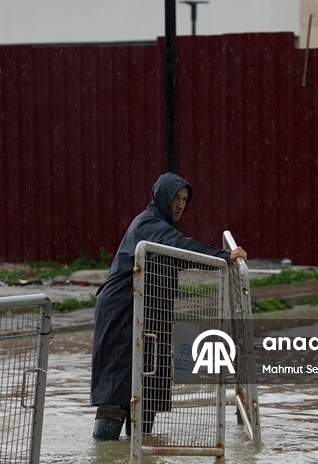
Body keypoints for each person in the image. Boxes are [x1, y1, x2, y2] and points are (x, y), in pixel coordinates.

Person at [90, 172, 247, 440]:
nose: (180, 205)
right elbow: (180, 248)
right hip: (123, 314)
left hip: (148, 315)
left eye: (185, 200)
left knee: (149, 385)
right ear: (162, 197)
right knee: (117, 386)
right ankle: (107, 461)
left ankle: (139, 460)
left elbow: (178, 253)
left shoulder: (160, 227)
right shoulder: (149, 225)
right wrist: (224, 257)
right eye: (176, 198)